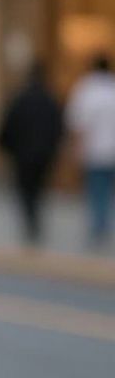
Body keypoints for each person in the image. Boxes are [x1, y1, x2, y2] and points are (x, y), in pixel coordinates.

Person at [0, 59, 64, 246]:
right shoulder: (51, 100)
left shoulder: (19, 99)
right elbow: (59, 127)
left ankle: (30, 222)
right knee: (39, 188)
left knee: (25, 190)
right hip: (44, 154)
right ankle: (35, 221)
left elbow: (6, 127)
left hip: (22, 154)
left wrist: (4, 147)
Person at [65, 51, 115, 249]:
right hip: (111, 150)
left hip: (94, 149)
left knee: (96, 190)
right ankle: (104, 225)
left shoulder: (86, 89)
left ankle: (98, 226)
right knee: (108, 190)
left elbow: (78, 123)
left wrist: (75, 149)